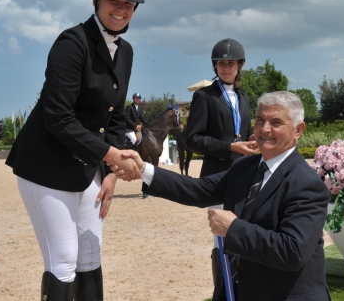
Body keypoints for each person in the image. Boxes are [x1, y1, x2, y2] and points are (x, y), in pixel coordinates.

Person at [5, 0, 144, 301]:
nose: (121, 9)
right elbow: (58, 117)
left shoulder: (125, 52)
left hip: (88, 164)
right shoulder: (72, 42)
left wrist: (110, 171)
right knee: (64, 259)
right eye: (114, 0)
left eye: (128, 4)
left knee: (90, 256)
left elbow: (113, 118)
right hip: (46, 165)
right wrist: (111, 155)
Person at [116, 91, 332, 301]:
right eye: (259, 120)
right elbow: (198, 190)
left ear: (298, 130)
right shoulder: (244, 168)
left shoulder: (307, 185)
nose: (264, 129)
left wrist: (233, 228)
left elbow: (292, 252)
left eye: (276, 122)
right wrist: (143, 169)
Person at [184, 38, 256, 283]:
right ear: (215, 66)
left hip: (244, 175)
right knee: (221, 235)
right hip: (217, 176)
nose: (226, 67)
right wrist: (229, 147)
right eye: (221, 63)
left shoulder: (245, 98)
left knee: (240, 232)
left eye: (231, 63)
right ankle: (222, 291)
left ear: (239, 66)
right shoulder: (204, 97)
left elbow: (244, 135)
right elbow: (192, 139)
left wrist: (252, 141)